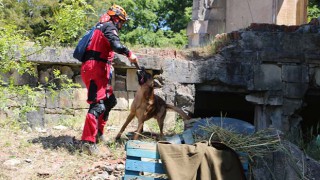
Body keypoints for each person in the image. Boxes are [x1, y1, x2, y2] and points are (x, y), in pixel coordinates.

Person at [80, 4, 138, 155]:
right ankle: (88, 143)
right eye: (122, 22)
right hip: (94, 69)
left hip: (99, 69)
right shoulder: (109, 26)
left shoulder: (101, 27)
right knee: (97, 105)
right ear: (116, 18)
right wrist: (129, 53)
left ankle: (98, 134)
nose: (122, 25)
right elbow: (116, 45)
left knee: (109, 101)